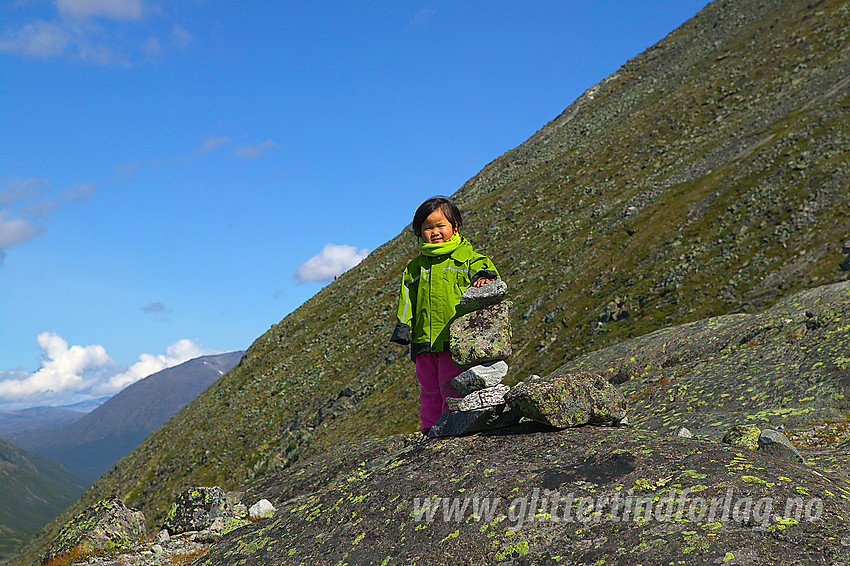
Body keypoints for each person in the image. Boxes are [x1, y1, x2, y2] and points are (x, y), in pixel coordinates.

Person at [390, 196, 500, 434]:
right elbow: (406, 297)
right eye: (427, 228)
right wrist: (403, 326)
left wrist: (484, 277)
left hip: (454, 340)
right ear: (419, 233)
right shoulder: (415, 267)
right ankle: (430, 430)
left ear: (455, 227)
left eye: (441, 226)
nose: (435, 232)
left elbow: (488, 271)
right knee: (428, 389)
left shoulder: (467, 258)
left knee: (451, 386)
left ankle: (453, 426)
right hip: (424, 340)